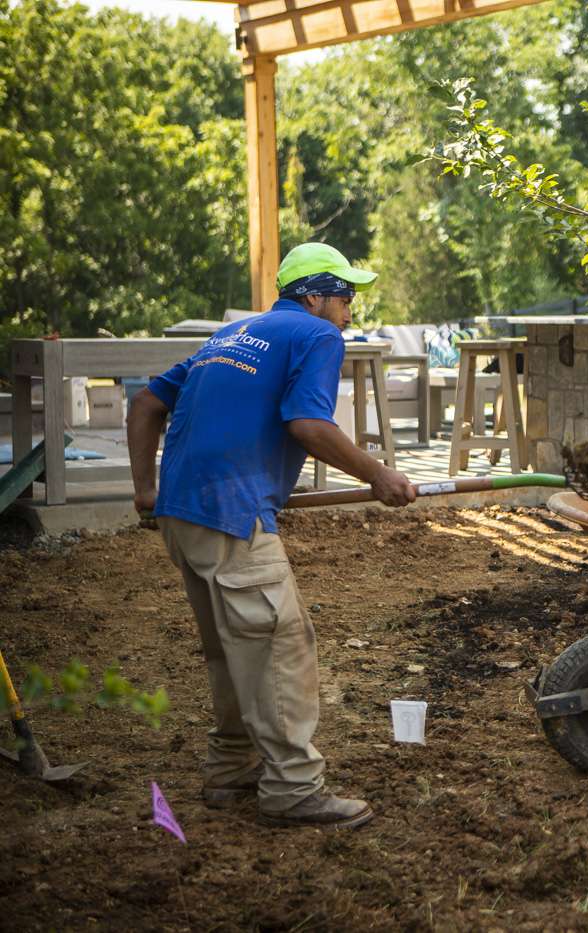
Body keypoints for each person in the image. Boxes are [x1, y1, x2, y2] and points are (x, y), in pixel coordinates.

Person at [127, 243, 416, 830]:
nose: (349, 312)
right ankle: (292, 789)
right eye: (344, 296)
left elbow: (145, 404)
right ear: (313, 295)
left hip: (182, 514)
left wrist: (144, 491)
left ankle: (232, 767)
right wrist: (378, 473)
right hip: (231, 512)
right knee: (280, 645)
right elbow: (308, 424)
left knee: (232, 646)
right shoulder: (316, 336)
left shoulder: (229, 337)